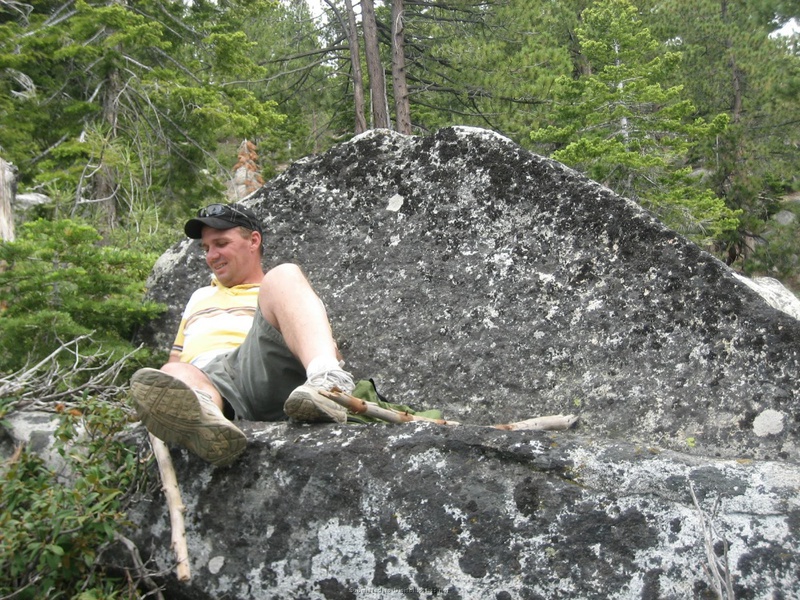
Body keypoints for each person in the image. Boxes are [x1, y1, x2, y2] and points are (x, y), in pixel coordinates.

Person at [130, 202, 355, 467]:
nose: (211, 256)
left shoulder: (278, 290)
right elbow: (176, 359)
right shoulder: (198, 297)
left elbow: (321, 341)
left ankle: (327, 385)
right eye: (206, 248)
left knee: (285, 273)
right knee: (173, 370)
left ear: (254, 241)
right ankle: (207, 420)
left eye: (221, 243)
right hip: (209, 381)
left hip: (257, 366)